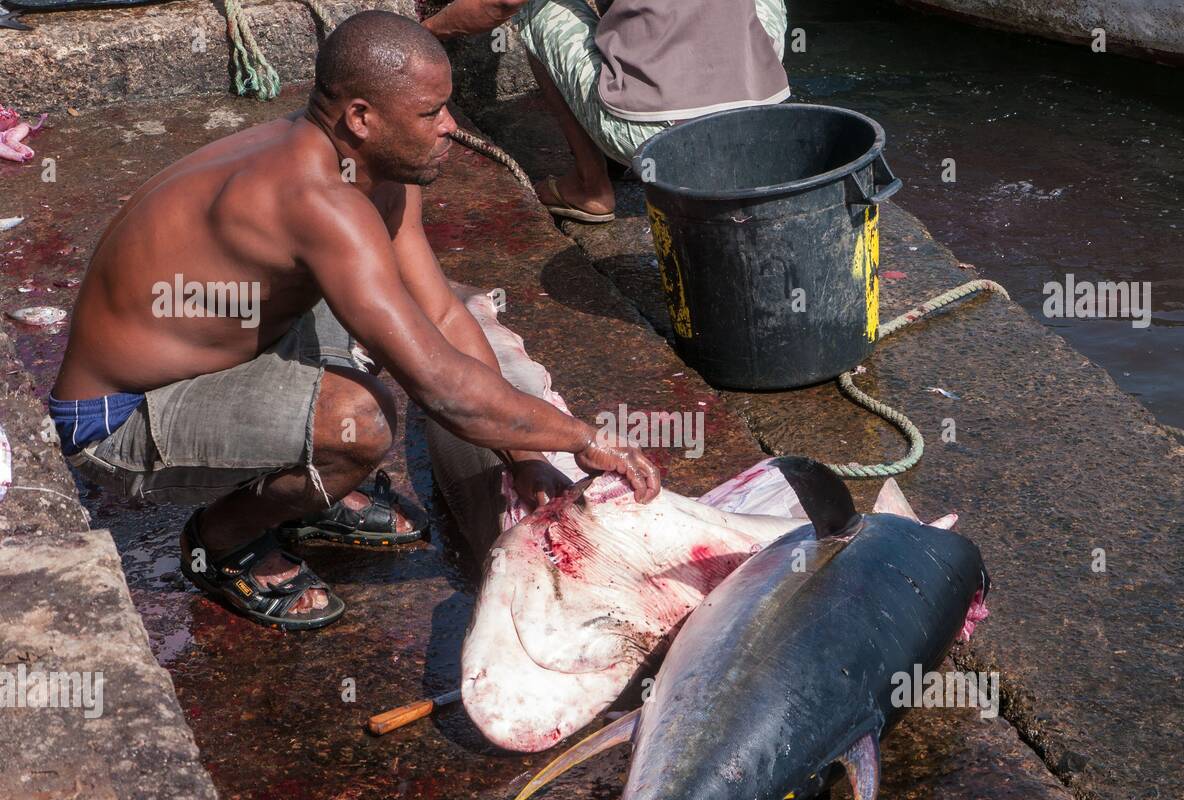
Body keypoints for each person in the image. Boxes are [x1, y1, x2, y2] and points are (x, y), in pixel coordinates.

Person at [48, 10, 660, 631]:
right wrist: (582, 438)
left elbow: (442, 315)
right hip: (118, 417)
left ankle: (309, 492)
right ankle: (223, 540)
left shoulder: (378, 165)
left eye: (446, 108)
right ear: (362, 118)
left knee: (389, 316)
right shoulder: (318, 199)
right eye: (430, 114)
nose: (450, 127)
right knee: (360, 426)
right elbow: (443, 390)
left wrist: (523, 456)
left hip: (227, 352)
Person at [423, 0, 789, 222]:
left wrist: (424, 31)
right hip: (760, 119)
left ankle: (590, 185)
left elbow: (500, 4)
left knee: (535, 6)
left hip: (656, 134)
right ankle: (742, 90)